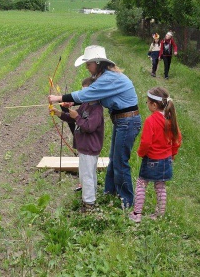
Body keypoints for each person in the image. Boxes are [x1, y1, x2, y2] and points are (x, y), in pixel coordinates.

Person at [48, 45, 141, 209]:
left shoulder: (108, 78)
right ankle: (110, 193)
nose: (86, 66)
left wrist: (58, 98)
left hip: (128, 120)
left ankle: (126, 201)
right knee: (114, 160)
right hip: (122, 120)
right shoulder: (104, 77)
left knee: (120, 162)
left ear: (98, 62)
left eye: (89, 63)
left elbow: (89, 94)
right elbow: (92, 95)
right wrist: (73, 102)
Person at [51, 76, 104, 212]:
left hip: (90, 148)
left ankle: (89, 204)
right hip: (84, 147)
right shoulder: (85, 105)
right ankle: (90, 197)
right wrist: (59, 113)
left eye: (87, 92)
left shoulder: (97, 110)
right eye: (83, 92)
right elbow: (73, 117)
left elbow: (89, 127)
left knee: (87, 175)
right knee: (85, 174)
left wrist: (77, 117)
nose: (84, 95)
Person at [129, 87, 182, 223]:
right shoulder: (171, 119)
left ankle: (137, 214)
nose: (147, 105)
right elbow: (177, 140)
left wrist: (140, 153)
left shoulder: (151, 121)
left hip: (152, 160)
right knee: (160, 186)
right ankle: (159, 214)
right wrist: (172, 155)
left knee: (141, 184)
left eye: (147, 102)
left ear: (154, 104)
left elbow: (146, 142)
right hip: (167, 160)